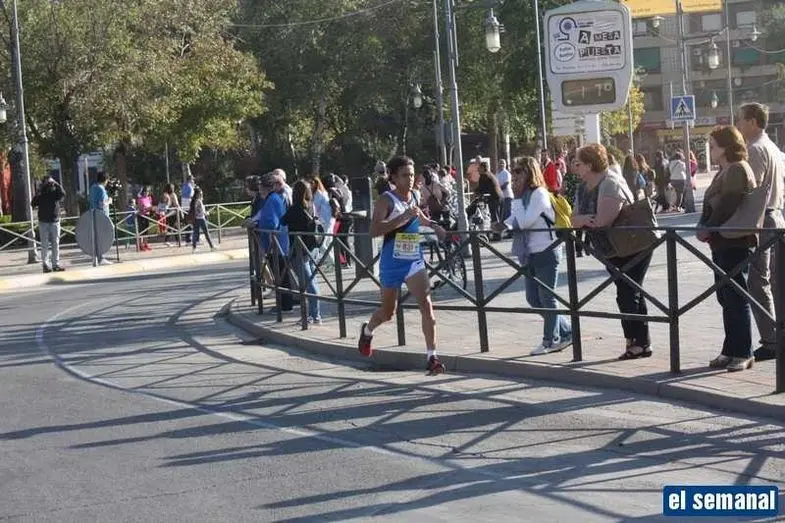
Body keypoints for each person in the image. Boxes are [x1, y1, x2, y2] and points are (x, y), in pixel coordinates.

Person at [357, 155, 448, 376]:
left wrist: (433, 225)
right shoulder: (386, 200)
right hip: (391, 263)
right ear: (394, 178)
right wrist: (402, 218)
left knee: (426, 305)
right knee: (388, 313)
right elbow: (374, 231)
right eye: (405, 175)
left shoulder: (414, 195)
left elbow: (419, 217)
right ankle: (367, 330)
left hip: (413, 260)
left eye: (412, 174)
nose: (410, 179)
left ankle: (432, 357)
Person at [572, 143, 653, 360]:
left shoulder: (610, 183)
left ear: (589, 165)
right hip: (611, 248)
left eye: (578, 163)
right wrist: (582, 219)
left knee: (628, 293)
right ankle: (640, 342)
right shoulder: (583, 187)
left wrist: (582, 220)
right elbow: (573, 218)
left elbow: (602, 221)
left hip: (633, 244)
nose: (574, 167)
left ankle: (637, 342)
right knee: (629, 291)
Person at [494, 157, 572, 355]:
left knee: (547, 297)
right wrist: (503, 225)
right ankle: (567, 331)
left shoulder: (539, 194)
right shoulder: (523, 196)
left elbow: (526, 221)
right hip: (529, 253)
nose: (515, 176)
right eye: (514, 171)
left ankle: (550, 340)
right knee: (533, 298)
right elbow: (515, 218)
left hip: (547, 250)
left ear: (530, 173)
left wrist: (515, 202)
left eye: (519, 171)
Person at [697, 126, 757, 372]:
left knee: (736, 296)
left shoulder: (737, 168)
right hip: (723, 240)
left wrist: (709, 227)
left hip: (734, 239)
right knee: (726, 296)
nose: (710, 150)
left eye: (713, 145)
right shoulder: (726, 169)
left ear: (725, 146)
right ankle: (730, 349)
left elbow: (728, 205)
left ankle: (743, 352)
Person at [737, 102, 785, 362]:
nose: (738, 125)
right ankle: (778, 335)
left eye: (741, 120)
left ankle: (771, 341)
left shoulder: (755, 149)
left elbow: (750, 190)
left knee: (758, 281)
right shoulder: (773, 147)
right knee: (775, 280)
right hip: (776, 216)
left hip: (763, 219)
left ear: (753, 121)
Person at [282, 180, 322, 324]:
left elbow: (283, 221)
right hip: (312, 248)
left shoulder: (295, 209)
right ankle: (314, 314)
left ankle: (314, 316)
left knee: (308, 284)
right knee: (313, 281)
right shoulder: (311, 206)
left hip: (299, 249)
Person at [253, 172, 293, 312]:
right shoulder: (273, 198)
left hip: (276, 244)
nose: (259, 191)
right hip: (278, 242)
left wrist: (257, 225)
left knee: (280, 274)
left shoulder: (272, 200)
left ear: (267, 188)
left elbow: (271, 223)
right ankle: (285, 303)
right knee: (281, 274)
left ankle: (284, 305)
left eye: (261, 188)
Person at [32, 174, 65, 273]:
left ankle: (55, 264)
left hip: (55, 221)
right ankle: (45, 265)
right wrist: (40, 190)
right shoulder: (41, 193)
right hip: (43, 222)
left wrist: (56, 184)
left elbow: (63, 194)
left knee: (55, 243)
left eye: (50, 183)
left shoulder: (55, 192)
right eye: (47, 183)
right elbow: (33, 203)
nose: (49, 185)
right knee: (45, 244)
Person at [88, 172, 112, 265]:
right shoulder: (101, 189)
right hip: (102, 216)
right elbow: (102, 204)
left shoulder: (92, 188)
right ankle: (101, 257)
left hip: (93, 215)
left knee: (97, 237)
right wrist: (109, 201)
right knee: (104, 237)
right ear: (105, 180)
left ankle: (96, 257)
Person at [190, 187, 216, 252]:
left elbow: (195, 210)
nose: (202, 194)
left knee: (195, 233)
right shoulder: (198, 201)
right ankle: (212, 247)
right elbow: (200, 210)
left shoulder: (194, 200)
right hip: (201, 218)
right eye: (201, 193)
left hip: (196, 219)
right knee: (206, 233)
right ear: (197, 194)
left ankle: (194, 248)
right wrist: (206, 213)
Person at [136, 186, 154, 251]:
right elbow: (139, 208)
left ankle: (146, 244)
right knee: (142, 231)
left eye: (147, 192)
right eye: (145, 192)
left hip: (147, 215)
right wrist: (146, 209)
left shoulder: (149, 198)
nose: (146, 193)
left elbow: (150, 205)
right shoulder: (140, 199)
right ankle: (140, 245)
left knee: (146, 230)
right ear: (143, 192)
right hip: (141, 216)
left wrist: (151, 209)